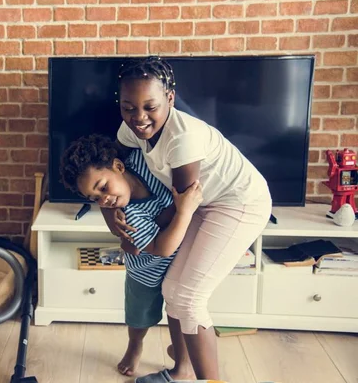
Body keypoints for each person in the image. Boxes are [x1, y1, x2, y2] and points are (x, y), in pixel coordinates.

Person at [102, 56, 273, 382]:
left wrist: (144, 236)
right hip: (199, 204)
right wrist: (112, 212)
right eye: (128, 107)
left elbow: (179, 207)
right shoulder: (130, 129)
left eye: (150, 107)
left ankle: (207, 378)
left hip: (238, 203)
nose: (139, 117)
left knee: (190, 297)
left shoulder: (183, 140)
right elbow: (113, 170)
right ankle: (182, 368)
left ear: (169, 98)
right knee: (172, 288)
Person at [59, 134, 203, 377]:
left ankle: (182, 358)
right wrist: (184, 211)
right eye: (95, 199)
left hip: (180, 263)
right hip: (146, 272)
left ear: (118, 166)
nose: (103, 199)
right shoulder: (128, 217)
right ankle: (135, 345)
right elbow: (162, 248)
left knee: (179, 311)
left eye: (103, 187)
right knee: (138, 317)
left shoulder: (143, 162)